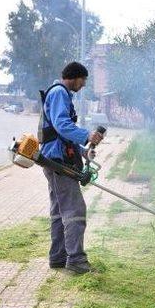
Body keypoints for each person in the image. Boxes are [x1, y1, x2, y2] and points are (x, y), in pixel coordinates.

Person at [38, 61, 104, 274]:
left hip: (55, 159)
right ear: (75, 77)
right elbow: (62, 125)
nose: (83, 85)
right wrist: (87, 135)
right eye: (83, 80)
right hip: (57, 162)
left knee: (59, 210)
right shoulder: (60, 93)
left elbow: (62, 134)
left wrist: (83, 151)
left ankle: (58, 257)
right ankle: (76, 260)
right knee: (75, 210)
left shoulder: (61, 94)